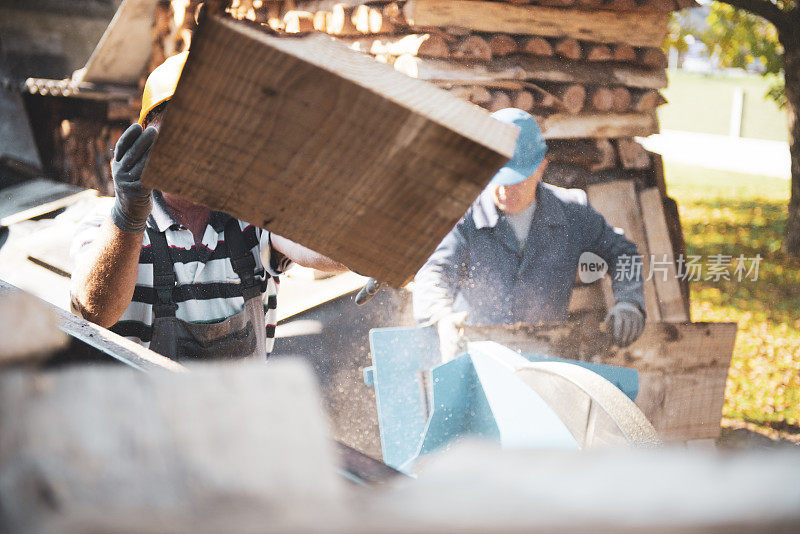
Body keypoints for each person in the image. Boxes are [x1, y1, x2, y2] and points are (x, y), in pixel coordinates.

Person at [70, 52, 346, 361]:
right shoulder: (108, 228)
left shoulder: (252, 218)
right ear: (149, 141)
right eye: (181, 133)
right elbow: (92, 313)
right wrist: (128, 218)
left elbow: (327, 249)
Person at [413, 108, 646, 361]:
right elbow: (434, 272)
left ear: (541, 167)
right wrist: (440, 317)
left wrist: (629, 302)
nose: (504, 190)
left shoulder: (572, 212)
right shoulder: (464, 216)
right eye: (497, 178)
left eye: (516, 180)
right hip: (474, 356)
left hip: (548, 356)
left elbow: (625, 255)